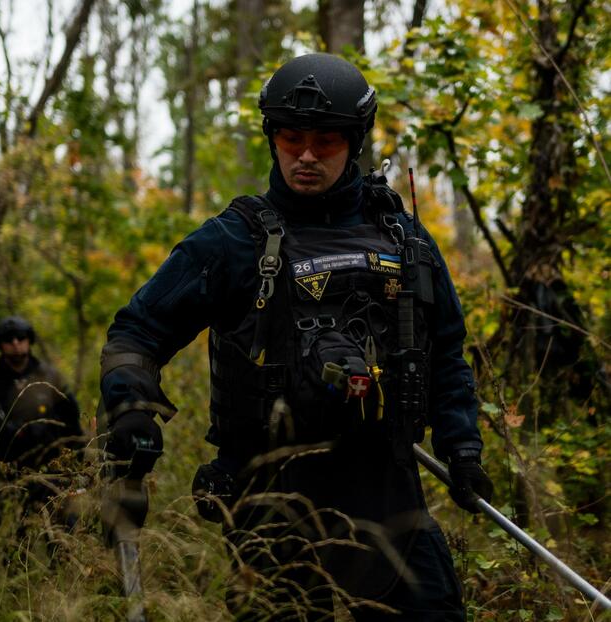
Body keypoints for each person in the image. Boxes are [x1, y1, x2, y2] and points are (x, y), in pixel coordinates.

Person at [99, 53, 493, 620]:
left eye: (326, 140)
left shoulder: (405, 240)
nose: (305, 154)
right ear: (272, 137)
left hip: (388, 497)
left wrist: (462, 447)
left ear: (354, 141)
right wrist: (131, 407)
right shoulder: (232, 240)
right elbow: (136, 331)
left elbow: (447, 352)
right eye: (290, 136)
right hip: (272, 505)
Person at [0, 316, 84, 526]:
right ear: (0, 344)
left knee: (62, 545)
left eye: (21, 337)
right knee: (13, 548)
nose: (15, 343)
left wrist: (78, 469)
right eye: (9, 339)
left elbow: (72, 425)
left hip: (52, 475)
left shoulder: (49, 377)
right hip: (6, 479)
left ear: (29, 340)